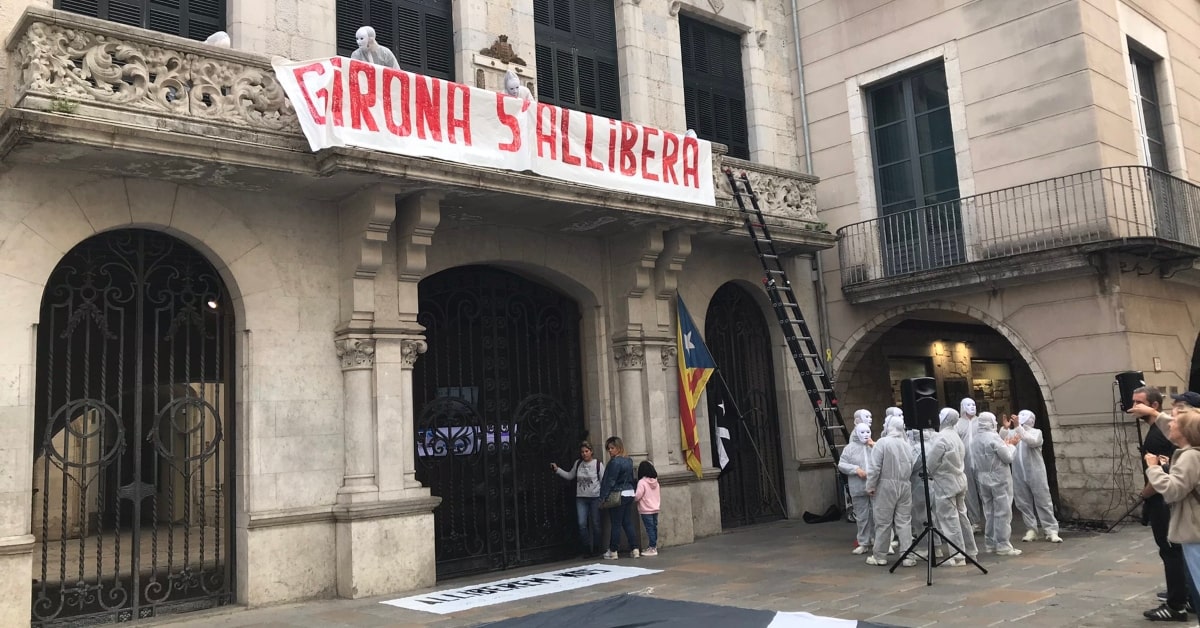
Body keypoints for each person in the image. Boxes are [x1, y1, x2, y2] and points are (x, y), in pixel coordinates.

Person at [1128, 387, 1195, 621]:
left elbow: (1172, 485)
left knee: (1172, 551)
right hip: (1180, 510)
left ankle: (1177, 603)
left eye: (1178, 417)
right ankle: (1187, 595)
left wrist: (1151, 475)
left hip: (1172, 508)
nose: (1172, 422)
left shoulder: (1187, 452)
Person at [1144, 404, 1200, 622]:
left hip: (1194, 529)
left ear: (1185, 432)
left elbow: (1172, 490)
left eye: (1175, 422)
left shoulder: (1189, 457)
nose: (1170, 425)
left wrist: (1154, 468)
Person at [1001, 410, 1062, 544]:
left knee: (1043, 500)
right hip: (1018, 472)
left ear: (1031, 419)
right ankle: (1031, 529)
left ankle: (1051, 529)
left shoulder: (1036, 432)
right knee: (1023, 501)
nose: (1020, 417)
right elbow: (1002, 443)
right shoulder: (1013, 432)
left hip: (1035, 472)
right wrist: (1005, 429)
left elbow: (1032, 441)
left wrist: (1018, 428)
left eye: (1024, 416)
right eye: (1019, 415)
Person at [925, 407, 976, 565]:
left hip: (946, 483)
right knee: (962, 517)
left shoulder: (941, 438)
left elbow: (931, 463)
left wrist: (930, 472)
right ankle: (971, 551)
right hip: (959, 480)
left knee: (949, 519)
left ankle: (958, 556)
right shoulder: (955, 436)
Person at [865, 415, 916, 567]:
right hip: (905, 485)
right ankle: (908, 556)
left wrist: (870, 486)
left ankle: (880, 555)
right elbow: (911, 465)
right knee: (904, 521)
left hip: (886, 485)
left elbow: (874, 468)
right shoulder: (907, 445)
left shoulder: (883, 443)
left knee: (883, 521)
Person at [970, 411, 1022, 556]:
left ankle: (990, 542)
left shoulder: (975, 439)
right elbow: (1007, 458)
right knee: (1003, 512)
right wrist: (1012, 445)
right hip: (999, 478)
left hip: (983, 478)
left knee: (989, 512)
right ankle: (1003, 545)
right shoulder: (993, 438)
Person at [551, 441, 605, 557]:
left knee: (596, 523)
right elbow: (570, 476)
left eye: (587, 451)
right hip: (581, 498)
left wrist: (603, 497)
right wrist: (558, 470)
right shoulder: (578, 463)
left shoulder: (598, 465)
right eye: (582, 452)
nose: (584, 454)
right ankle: (586, 548)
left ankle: (596, 547)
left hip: (595, 497)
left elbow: (603, 481)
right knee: (582, 524)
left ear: (591, 452)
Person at [598, 436, 639, 559]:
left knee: (616, 523)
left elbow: (609, 481)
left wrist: (602, 497)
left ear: (618, 448)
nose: (610, 450)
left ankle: (613, 550)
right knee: (627, 522)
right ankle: (635, 548)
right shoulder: (629, 460)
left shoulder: (614, 462)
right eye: (608, 448)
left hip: (618, 494)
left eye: (612, 448)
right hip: (629, 492)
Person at [839, 423, 875, 554]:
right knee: (862, 516)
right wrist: (855, 469)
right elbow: (842, 464)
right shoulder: (850, 448)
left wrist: (874, 446)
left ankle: (880, 541)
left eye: (868, 432)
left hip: (874, 485)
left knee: (877, 515)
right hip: (858, 487)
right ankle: (863, 542)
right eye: (862, 432)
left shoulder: (875, 447)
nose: (866, 435)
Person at [957, 397, 984, 531]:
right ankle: (975, 521)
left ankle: (991, 519)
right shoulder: (958, 423)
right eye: (968, 405)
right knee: (970, 493)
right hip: (965, 461)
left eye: (973, 404)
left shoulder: (981, 422)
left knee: (985, 490)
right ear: (963, 407)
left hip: (981, 460)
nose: (972, 407)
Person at [634, 460, 660, 557]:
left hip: (646, 509)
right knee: (654, 528)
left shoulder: (642, 482)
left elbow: (638, 495)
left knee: (649, 529)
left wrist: (633, 497)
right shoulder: (656, 482)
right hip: (655, 508)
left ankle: (652, 548)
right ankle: (653, 546)